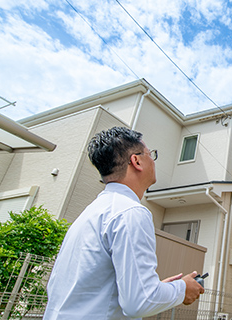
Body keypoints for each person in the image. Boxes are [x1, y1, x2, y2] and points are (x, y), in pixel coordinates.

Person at [44, 127, 204, 320]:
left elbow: (109, 291)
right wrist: (182, 288)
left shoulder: (91, 213)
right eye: (151, 154)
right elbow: (140, 302)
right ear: (136, 161)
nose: (153, 160)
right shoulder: (131, 212)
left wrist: (159, 289)